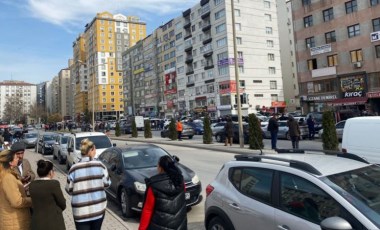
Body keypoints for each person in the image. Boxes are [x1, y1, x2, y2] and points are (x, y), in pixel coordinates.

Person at [66, 138, 111, 230]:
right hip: (98, 210)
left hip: (80, 211)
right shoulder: (100, 166)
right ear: (91, 150)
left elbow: (69, 189)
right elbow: (107, 184)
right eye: (94, 149)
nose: (95, 151)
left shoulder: (74, 168)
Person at [139, 155, 187, 230]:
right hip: (179, 225)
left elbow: (148, 210)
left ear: (161, 168)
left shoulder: (154, 184)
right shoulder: (180, 181)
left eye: (157, 165)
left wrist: (141, 228)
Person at [0, 149, 33, 230]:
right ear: (10, 162)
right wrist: (32, 200)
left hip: (12, 220)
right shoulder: (7, 177)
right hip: (14, 223)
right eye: (16, 157)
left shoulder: (6, 175)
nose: (18, 158)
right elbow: (16, 202)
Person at [29, 160, 66, 230]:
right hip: (54, 222)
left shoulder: (32, 185)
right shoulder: (54, 184)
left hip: (37, 223)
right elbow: (62, 203)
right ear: (50, 172)